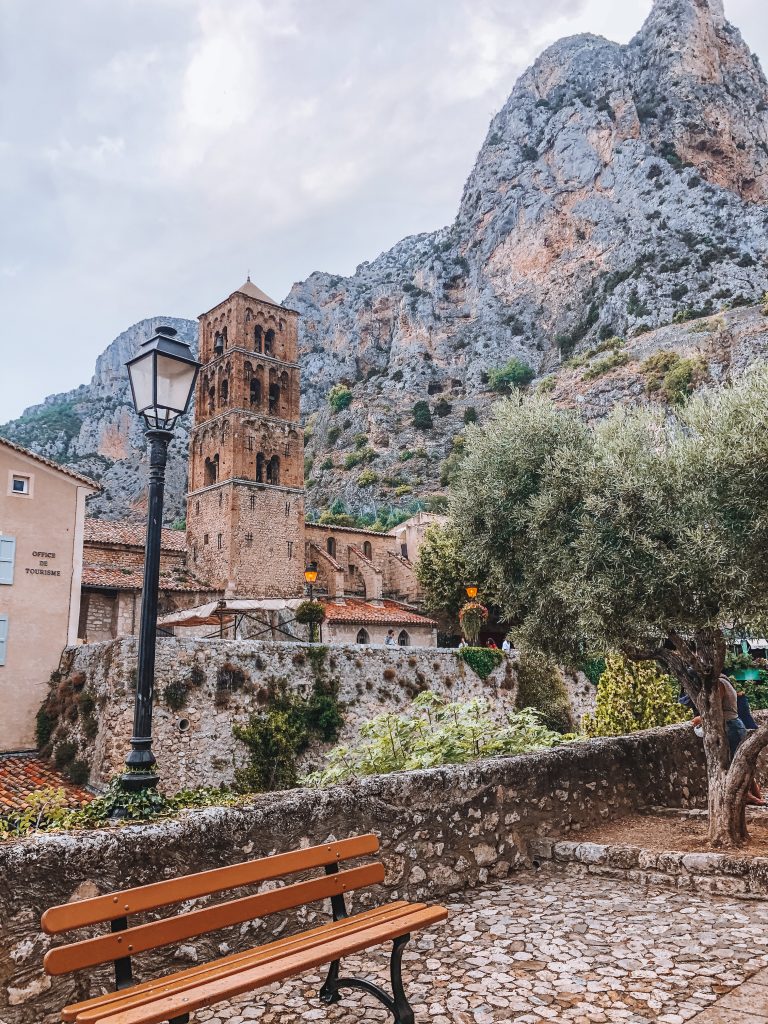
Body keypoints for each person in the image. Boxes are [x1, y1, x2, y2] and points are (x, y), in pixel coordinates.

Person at [691, 674, 765, 806]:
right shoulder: (726, 681)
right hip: (736, 724)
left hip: (730, 725)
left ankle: (748, 797)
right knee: (743, 763)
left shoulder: (718, 683)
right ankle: (758, 798)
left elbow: (715, 709)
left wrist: (699, 719)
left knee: (735, 764)